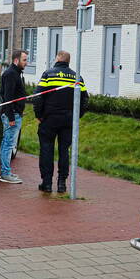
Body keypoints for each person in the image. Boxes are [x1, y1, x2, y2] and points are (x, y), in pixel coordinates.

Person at [32, 50, 88, 193]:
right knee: (64, 151)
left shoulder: (48, 74)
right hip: (68, 120)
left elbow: (38, 96)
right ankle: (62, 183)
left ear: (58, 58)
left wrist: (39, 115)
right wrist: (77, 116)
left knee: (46, 150)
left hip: (49, 119)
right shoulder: (77, 77)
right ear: (68, 61)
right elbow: (85, 100)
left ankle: (47, 183)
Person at [0, 49, 28, 183]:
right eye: (24, 60)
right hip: (12, 115)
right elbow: (8, 97)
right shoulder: (11, 74)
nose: (26, 62)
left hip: (16, 113)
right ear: (16, 60)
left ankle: (6, 171)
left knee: (8, 143)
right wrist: (11, 117)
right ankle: (5, 174)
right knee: (8, 144)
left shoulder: (16, 73)